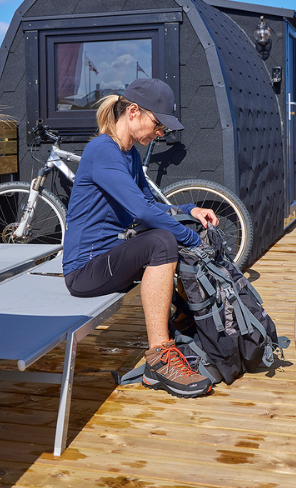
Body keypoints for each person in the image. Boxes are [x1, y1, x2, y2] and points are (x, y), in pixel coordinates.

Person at [62, 78, 217, 398]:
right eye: (159, 125)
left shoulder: (128, 153)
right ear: (133, 112)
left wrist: (191, 210)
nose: (160, 135)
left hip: (109, 258)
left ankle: (187, 324)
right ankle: (160, 360)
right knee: (162, 241)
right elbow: (142, 213)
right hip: (85, 270)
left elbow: (148, 205)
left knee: (165, 236)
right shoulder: (102, 150)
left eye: (164, 130)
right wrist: (190, 237)